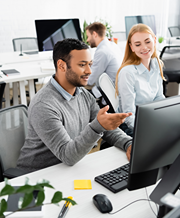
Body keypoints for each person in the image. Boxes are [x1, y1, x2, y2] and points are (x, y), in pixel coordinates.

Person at [17, 38, 132, 172]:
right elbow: (68, 155)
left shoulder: (82, 94)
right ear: (61, 66)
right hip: (37, 177)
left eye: (90, 64)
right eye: (82, 65)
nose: (89, 71)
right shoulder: (43, 105)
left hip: (66, 169)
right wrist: (97, 127)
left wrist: (128, 143)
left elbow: (105, 127)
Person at [115, 24, 165, 136]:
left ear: (154, 40)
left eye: (148, 42)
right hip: (132, 124)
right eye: (138, 44)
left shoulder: (156, 64)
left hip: (149, 118)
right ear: (131, 47)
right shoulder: (127, 73)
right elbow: (129, 115)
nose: (144, 47)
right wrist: (149, 129)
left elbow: (159, 98)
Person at [85, 22, 123, 98]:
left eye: (88, 36)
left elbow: (90, 81)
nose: (87, 40)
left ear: (95, 34)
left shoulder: (102, 52)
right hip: (118, 90)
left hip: (107, 94)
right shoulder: (113, 45)